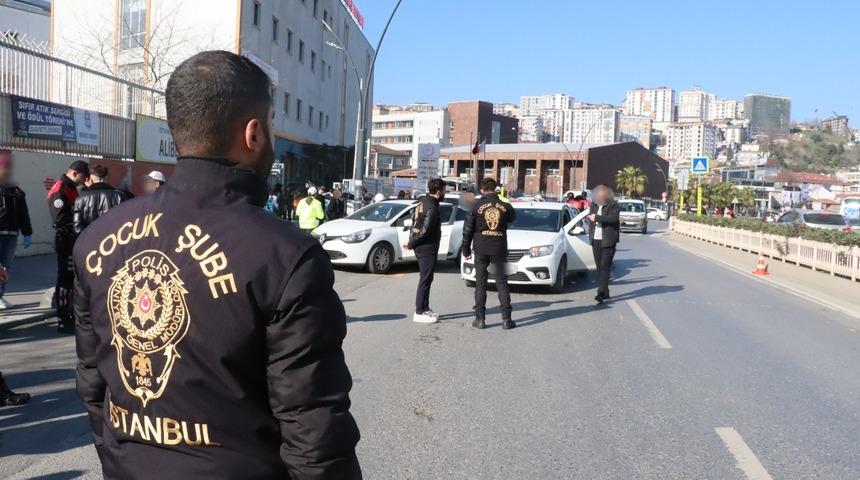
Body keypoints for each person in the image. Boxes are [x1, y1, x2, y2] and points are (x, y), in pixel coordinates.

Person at [72, 50, 360, 479]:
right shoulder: (284, 255)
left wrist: (123, 461)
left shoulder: (96, 240)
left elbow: (94, 385)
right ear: (254, 133)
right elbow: (312, 423)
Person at [461, 177, 517, 330]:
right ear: (496, 188)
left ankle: (480, 320)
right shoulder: (505, 205)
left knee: (480, 284)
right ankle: (506, 319)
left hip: (481, 248)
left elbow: (468, 230)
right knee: (502, 283)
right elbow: (512, 217)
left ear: (482, 190)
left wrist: (465, 249)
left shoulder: (475, 206)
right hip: (499, 248)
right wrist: (501, 200)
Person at [48, 159, 89, 333]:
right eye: (82, 177)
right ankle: (63, 318)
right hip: (65, 240)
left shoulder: (71, 189)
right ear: (74, 173)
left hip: (72, 240)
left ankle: (69, 315)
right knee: (65, 279)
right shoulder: (60, 189)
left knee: (71, 279)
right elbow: (60, 220)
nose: (83, 181)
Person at [402, 178, 446, 323]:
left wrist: (412, 241)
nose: (445, 192)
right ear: (439, 191)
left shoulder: (423, 202)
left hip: (423, 246)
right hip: (426, 248)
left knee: (427, 278)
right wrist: (411, 243)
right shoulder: (432, 207)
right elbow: (425, 231)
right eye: (444, 190)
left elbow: (414, 223)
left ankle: (425, 308)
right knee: (425, 279)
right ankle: (419, 311)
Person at [0, 150, 33, 310]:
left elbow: (23, 214)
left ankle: (0, 296)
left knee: (5, 267)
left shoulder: (16, 191)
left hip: (11, 234)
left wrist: (27, 233)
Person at [588, 185, 620, 304]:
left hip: (608, 240)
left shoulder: (613, 205)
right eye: (598, 193)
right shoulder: (594, 205)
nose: (600, 195)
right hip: (595, 239)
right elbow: (591, 219)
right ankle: (605, 291)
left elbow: (613, 219)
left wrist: (597, 218)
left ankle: (600, 293)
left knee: (605, 266)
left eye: (603, 193)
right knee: (598, 267)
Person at [73, 164, 124, 234]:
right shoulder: (120, 196)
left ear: (91, 180)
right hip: (113, 241)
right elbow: (125, 222)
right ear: (107, 178)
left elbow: (77, 227)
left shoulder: (80, 198)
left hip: (90, 241)